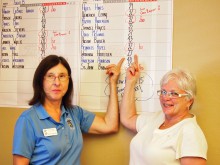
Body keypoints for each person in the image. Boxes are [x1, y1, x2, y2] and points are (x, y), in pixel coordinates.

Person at [13, 54, 124, 165]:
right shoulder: (27, 120)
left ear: (68, 81)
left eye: (62, 76)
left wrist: (113, 83)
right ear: (41, 81)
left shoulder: (75, 113)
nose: (57, 83)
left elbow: (110, 125)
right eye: (50, 76)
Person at [120, 55, 208, 165]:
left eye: (174, 93)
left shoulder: (190, 132)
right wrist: (130, 81)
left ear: (189, 100)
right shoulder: (157, 118)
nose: (165, 97)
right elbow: (127, 118)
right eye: (163, 92)